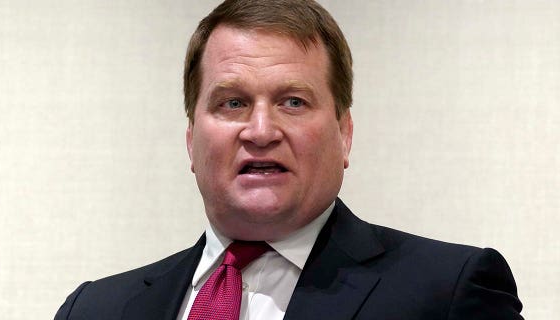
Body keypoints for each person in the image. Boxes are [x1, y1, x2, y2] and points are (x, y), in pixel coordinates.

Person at [55, 0, 524, 319]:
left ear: (344, 136)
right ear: (191, 140)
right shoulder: (95, 308)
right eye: (232, 103)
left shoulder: (447, 292)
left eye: (293, 102)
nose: (261, 131)